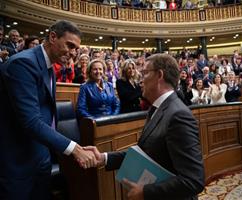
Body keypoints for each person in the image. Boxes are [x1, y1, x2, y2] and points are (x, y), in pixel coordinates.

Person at [0, 20, 101, 200]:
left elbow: (47, 116)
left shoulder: (49, 67)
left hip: (40, 159)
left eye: (76, 49)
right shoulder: (22, 64)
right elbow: (31, 121)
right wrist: (74, 149)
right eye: (70, 45)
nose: (73, 53)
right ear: (53, 37)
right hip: (17, 162)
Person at [95, 53, 205, 200]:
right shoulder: (156, 108)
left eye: (145, 73)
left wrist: (145, 192)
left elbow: (193, 180)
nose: (140, 79)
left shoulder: (178, 115)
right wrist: (104, 158)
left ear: (159, 75)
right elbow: (146, 152)